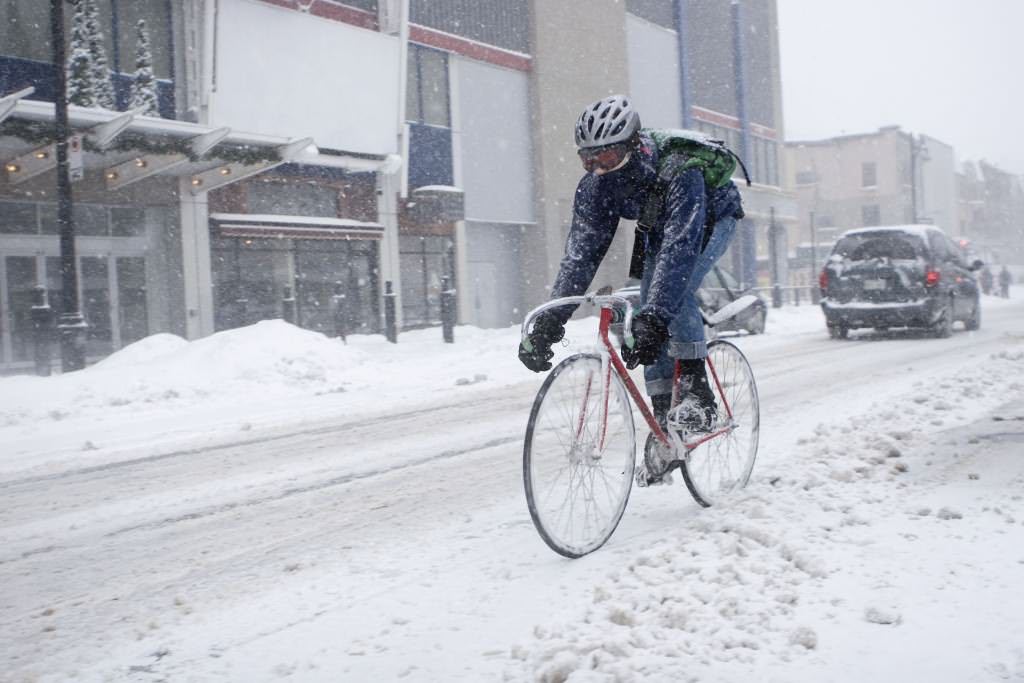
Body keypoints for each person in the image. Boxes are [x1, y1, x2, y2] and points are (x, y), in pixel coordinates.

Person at [517, 95, 744, 482]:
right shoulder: (594, 188)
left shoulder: (678, 171)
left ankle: (696, 394)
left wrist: (657, 318)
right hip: (662, 222)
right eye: (588, 160)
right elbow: (580, 257)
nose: (598, 169)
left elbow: (679, 251)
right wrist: (550, 322)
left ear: (632, 146)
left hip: (710, 216)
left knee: (675, 289)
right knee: (645, 306)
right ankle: (664, 427)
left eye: (606, 158)